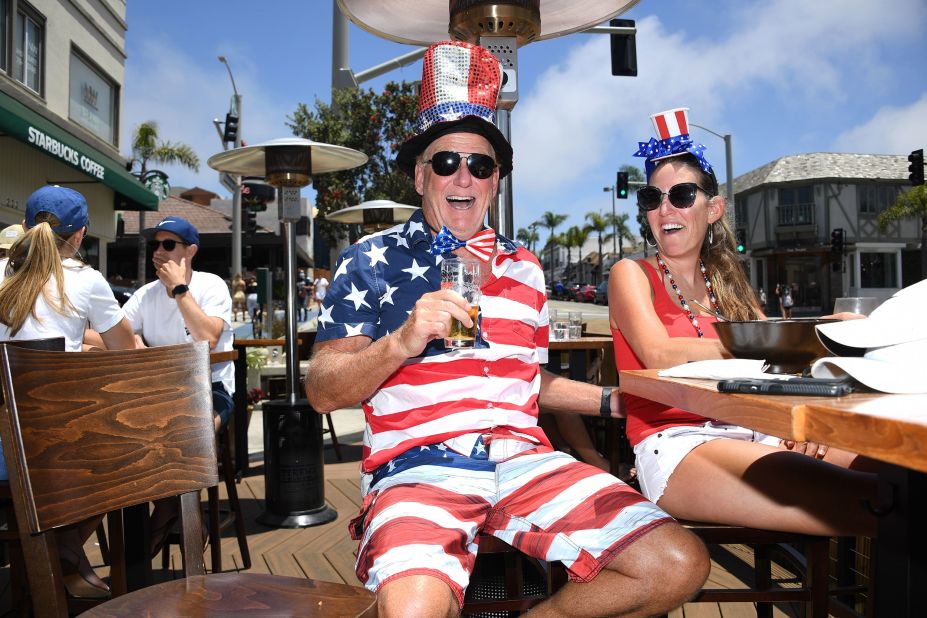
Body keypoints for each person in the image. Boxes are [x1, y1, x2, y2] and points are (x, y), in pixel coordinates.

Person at [306, 41, 708, 618]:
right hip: (420, 466)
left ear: (495, 180)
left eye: (481, 163)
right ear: (421, 177)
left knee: (676, 564)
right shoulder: (371, 259)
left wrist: (613, 402)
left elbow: (526, 382)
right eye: (446, 162)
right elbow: (322, 389)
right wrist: (401, 341)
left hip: (525, 462)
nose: (463, 175)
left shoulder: (524, 265)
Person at [609, 108, 878, 538]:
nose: (664, 208)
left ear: (713, 208)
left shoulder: (728, 284)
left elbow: (777, 363)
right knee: (875, 502)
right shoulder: (631, 274)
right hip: (677, 441)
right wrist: (810, 333)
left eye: (680, 195)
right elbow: (660, 354)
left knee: (893, 469)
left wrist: (796, 419)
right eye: (652, 198)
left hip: (756, 427)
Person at [0, 185, 136, 598]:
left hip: (4, 454)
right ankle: (60, 547)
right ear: (80, 236)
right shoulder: (87, 280)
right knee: (128, 463)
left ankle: (49, 550)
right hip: (50, 458)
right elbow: (125, 351)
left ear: (24, 226)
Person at [120, 216, 235, 556]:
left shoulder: (211, 286)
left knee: (188, 431)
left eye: (168, 244)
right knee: (125, 435)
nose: (159, 251)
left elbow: (208, 338)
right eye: (156, 244)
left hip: (210, 390)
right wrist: (134, 339)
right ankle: (177, 512)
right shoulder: (145, 294)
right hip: (159, 391)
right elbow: (113, 333)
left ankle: (169, 514)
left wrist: (179, 290)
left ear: (191, 250)